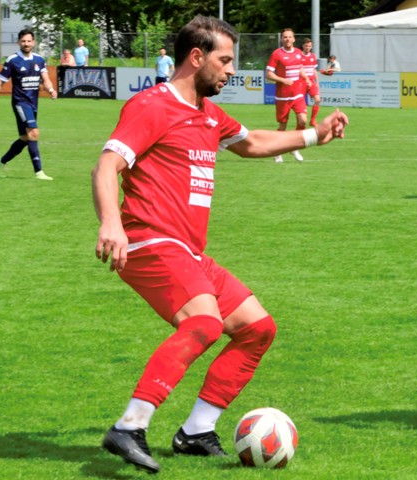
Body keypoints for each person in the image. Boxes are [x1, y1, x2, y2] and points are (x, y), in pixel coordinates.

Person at [93, 15, 348, 473]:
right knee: (205, 324)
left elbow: (251, 143)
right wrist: (111, 223)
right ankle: (130, 425)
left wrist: (315, 134)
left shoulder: (208, 115)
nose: (231, 70)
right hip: (149, 241)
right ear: (197, 57)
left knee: (257, 328)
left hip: (189, 250)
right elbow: (107, 164)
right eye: (225, 60)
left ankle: (195, 431)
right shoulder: (152, 105)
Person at [0, 28, 56, 180]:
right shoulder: (13, 61)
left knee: (25, 137)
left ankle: (1, 162)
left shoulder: (39, 60)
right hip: (20, 102)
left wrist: (50, 89)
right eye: (23, 41)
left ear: (34, 42)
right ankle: (39, 172)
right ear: (18, 42)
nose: (26, 44)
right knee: (34, 133)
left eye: (29, 41)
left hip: (33, 103)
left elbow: (45, 79)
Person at [266, 28, 308, 163]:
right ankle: (277, 151)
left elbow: (300, 68)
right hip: (283, 96)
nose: (287, 39)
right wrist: (283, 80)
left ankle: (293, 146)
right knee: (283, 126)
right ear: (281, 39)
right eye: (285, 37)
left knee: (303, 121)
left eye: (290, 37)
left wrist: (305, 78)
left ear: (294, 39)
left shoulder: (299, 53)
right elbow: (268, 74)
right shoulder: (276, 54)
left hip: (297, 95)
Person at [300, 38, 321, 126]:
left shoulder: (313, 56)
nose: (308, 47)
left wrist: (317, 82)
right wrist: (305, 79)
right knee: (301, 103)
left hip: (312, 81)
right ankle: (301, 120)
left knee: (317, 99)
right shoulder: (299, 56)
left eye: (309, 46)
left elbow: (314, 69)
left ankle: (312, 121)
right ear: (303, 46)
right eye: (306, 46)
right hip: (302, 82)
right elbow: (299, 70)